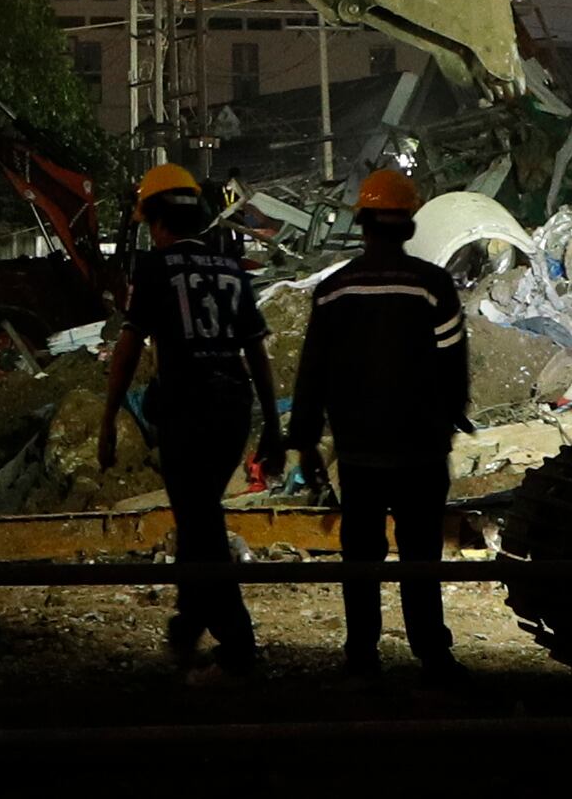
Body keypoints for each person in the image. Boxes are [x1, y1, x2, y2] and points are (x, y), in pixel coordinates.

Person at [96, 160, 278, 675]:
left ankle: (227, 638)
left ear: (156, 220)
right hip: (233, 411)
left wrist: (109, 419)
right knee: (200, 518)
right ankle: (194, 623)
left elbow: (129, 348)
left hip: (186, 410)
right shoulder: (229, 269)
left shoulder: (154, 269)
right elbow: (256, 353)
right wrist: (273, 425)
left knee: (201, 523)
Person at [283, 165, 467, 676]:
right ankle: (431, 652)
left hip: (360, 451)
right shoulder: (433, 287)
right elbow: (453, 365)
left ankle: (361, 654)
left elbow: (312, 371)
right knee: (420, 556)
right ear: (407, 224)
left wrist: (304, 441)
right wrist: (450, 421)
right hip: (421, 451)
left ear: (363, 223)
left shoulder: (335, 291)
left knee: (361, 557)